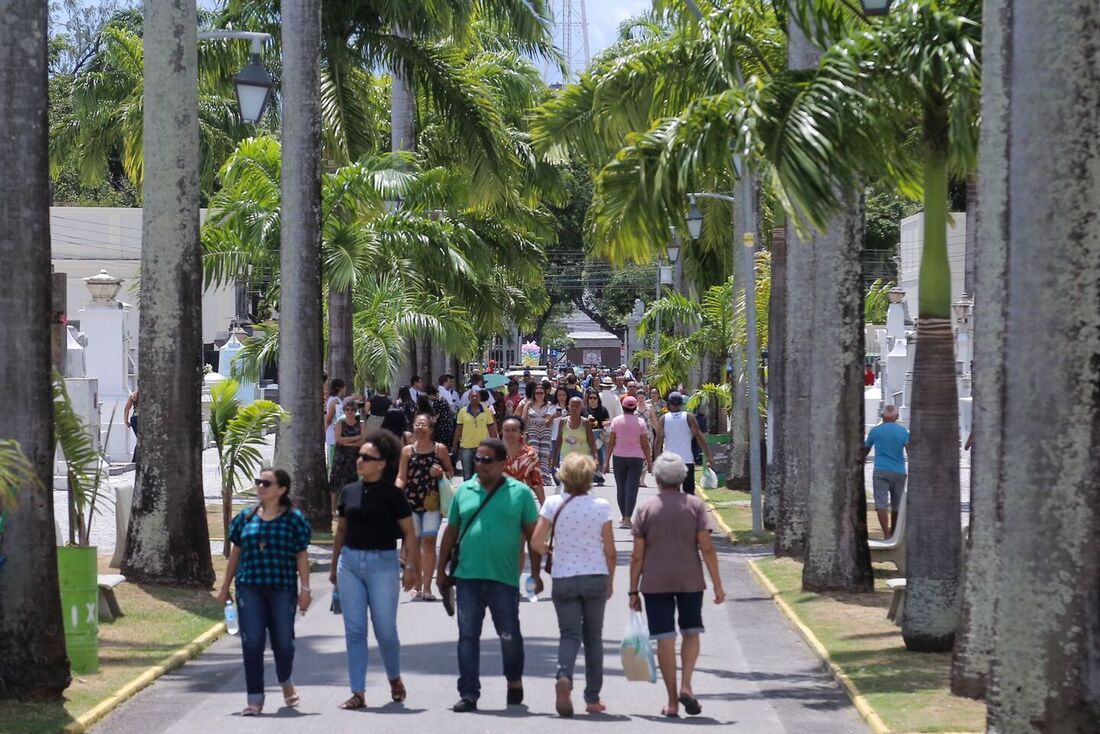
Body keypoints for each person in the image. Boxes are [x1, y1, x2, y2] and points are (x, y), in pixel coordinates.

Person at [436, 439, 541, 713]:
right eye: (477, 459)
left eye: (485, 460)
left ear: (502, 463)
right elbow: (450, 532)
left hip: (503, 578)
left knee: (509, 634)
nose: (479, 464)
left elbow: (533, 536)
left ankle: (514, 680)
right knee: (467, 636)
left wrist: (538, 572)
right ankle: (469, 692)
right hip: (467, 576)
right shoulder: (465, 491)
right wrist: (440, 571)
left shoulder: (519, 493)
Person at [630, 452, 726, 718]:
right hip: (690, 579)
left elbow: (637, 554)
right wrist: (717, 584)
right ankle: (686, 685)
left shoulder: (646, 509)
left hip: (655, 581)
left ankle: (672, 701)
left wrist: (632, 590)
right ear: (682, 477)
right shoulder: (695, 506)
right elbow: (706, 547)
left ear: (657, 478)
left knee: (664, 639)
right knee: (691, 631)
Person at [330, 430, 420, 710]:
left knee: (384, 629)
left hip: (383, 564)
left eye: (367, 458)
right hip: (351, 564)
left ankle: (394, 676)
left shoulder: (393, 495)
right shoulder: (349, 491)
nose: (360, 461)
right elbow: (341, 530)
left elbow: (409, 532)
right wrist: (334, 567)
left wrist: (410, 567)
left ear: (382, 463)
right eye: (359, 457)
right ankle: (358, 691)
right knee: (355, 630)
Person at [216, 468, 312, 716]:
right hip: (249, 587)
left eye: (266, 483)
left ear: (281, 490)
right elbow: (236, 553)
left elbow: (301, 555)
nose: (260, 486)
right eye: (259, 482)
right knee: (253, 642)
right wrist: (225, 587)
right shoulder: (245, 519)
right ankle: (255, 699)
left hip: (282, 588)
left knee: (283, 642)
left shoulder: (294, 519)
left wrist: (305, 588)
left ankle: (285, 679)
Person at [531, 454, 615, 717]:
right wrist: (610, 581)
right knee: (593, 637)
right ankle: (592, 697)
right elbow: (610, 551)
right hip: (594, 575)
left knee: (569, 634)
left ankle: (564, 676)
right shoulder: (601, 506)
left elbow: (535, 541)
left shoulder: (553, 504)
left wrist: (551, 551)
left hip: (564, 576)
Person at [397, 413, 455, 601]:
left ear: (430, 429)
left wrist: (441, 473)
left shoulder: (440, 449)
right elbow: (401, 476)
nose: (420, 428)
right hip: (410, 503)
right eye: (417, 424)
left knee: (429, 541)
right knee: (414, 544)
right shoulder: (407, 451)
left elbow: (450, 472)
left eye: (424, 425)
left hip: (432, 503)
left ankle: (428, 587)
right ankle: (417, 585)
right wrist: (395, 490)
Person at [861, 405, 910, 538]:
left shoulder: (875, 431)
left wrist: (861, 459)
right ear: (897, 417)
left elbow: (866, 449)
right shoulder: (903, 431)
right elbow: (909, 450)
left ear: (882, 417)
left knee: (881, 504)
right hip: (899, 471)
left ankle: (886, 533)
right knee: (897, 504)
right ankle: (894, 532)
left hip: (880, 471)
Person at [603, 396, 653, 528]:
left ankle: (625, 516)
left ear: (622, 407)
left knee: (621, 487)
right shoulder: (641, 422)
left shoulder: (616, 422)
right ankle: (627, 517)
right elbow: (645, 445)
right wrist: (649, 462)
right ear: (635, 407)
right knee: (632, 487)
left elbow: (611, 443)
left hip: (619, 458)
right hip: (636, 459)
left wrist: (606, 462)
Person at [653, 392, 713, 496]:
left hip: (669, 462)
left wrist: (656, 460)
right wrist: (708, 455)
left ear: (668, 404)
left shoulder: (663, 419)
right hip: (687, 461)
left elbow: (658, 441)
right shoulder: (689, 417)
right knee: (689, 493)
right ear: (682, 404)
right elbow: (699, 437)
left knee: (670, 493)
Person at [453, 388, 498, 480]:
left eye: (476, 396)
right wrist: (454, 445)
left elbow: (491, 428)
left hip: (482, 448)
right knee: (467, 475)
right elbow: (458, 429)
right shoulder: (462, 411)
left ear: (480, 397)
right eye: (472, 396)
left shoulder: (486, 411)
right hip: (466, 447)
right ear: (469, 398)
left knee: (481, 475)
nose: (474, 398)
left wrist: (495, 445)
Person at [330, 401, 366, 511]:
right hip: (341, 457)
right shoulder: (340, 423)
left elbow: (363, 441)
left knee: (352, 482)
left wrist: (347, 441)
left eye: (353, 409)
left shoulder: (361, 423)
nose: (350, 412)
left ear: (356, 411)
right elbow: (338, 440)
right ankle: (332, 509)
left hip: (354, 457)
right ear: (344, 410)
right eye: (347, 409)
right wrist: (355, 438)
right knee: (335, 483)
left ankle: (350, 508)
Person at [502, 415, 545, 506]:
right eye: (507, 430)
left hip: (522, 504)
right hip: (499, 504)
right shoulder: (494, 453)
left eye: (514, 430)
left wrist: (544, 508)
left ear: (521, 432)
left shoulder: (530, 455)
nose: (510, 433)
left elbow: (536, 483)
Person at [520, 383, 555, 482]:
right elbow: (523, 419)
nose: (539, 395)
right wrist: (523, 433)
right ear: (534, 394)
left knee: (544, 454)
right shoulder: (528, 404)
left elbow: (551, 419)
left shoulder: (549, 405)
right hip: (532, 431)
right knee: (534, 453)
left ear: (545, 394)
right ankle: (534, 476)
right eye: (537, 393)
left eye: (541, 393)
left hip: (546, 431)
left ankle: (544, 477)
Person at [553, 396, 598, 472]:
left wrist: (596, 458)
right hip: (566, 460)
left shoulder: (585, 423)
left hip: (582, 461)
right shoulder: (563, 422)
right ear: (568, 407)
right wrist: (554, 457)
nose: (574, 408)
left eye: (577, 406)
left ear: (581, 408)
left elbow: (592, 442)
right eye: (572, 406)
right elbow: (559, 440)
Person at [584, 389, 611, 485]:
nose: (592, 400)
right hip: (587, 434)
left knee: (600, 455)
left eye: (595, 398)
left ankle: (598, 475)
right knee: (588, 456)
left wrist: (603, 423)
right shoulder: (584, 409)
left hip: (599, 434)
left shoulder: (603, 409)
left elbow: (608, 421)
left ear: (598, 399)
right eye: (590, 398)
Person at [325, 379, 348, 466]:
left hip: (337, 429)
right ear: (340, 388)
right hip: (333, 430)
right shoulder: (335, 401)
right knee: (333, 452)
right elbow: (329, 418)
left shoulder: (336, 399)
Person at [123, 387, 140, 463]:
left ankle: (135, 459)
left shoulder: (133, 395)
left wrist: (126, 420)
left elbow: (126, 409)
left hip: (134, 418)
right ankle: (135, 460)